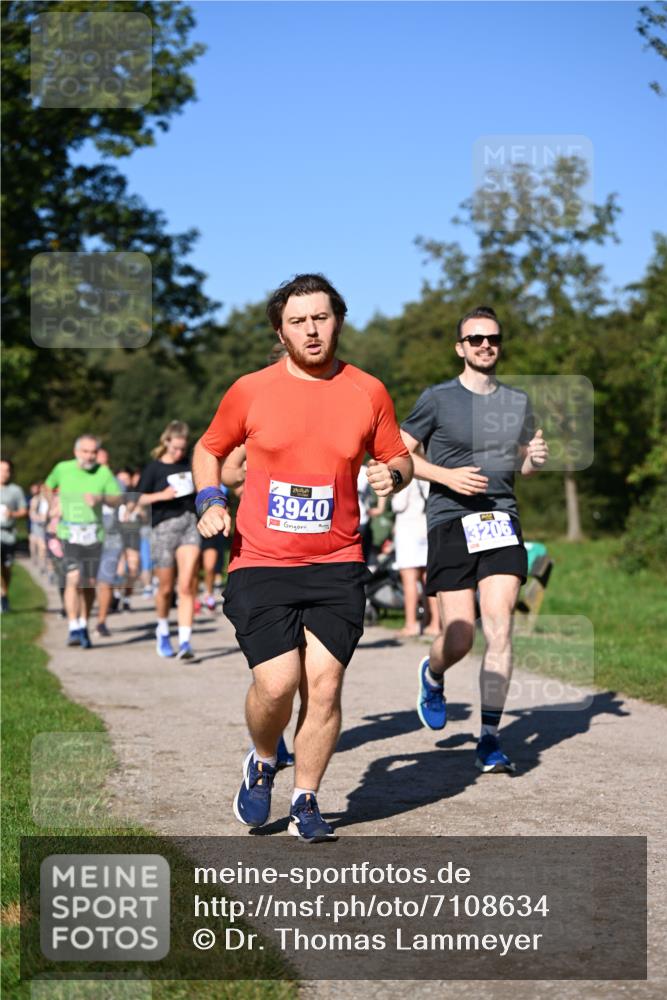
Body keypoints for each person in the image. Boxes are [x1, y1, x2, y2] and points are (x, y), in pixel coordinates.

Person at [194, 273, 412, 841]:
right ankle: (264, 757)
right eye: (298, 321)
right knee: (277, 684)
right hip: (262, 561)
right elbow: (209, 448)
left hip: (337, 561)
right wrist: (210, 498)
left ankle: (307, 798)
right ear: (280, 330)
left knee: (326, 684)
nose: (311, 330)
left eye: (321, 317)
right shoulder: (251, 389)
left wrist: (393, 473)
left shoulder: (368, 391)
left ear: (337, 320)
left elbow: (398, 457)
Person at [400, 305, 549, 773]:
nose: (486, 345)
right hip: (449, 519)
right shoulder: (438, 399)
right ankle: (434, 673)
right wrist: (446, 475)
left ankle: (489, 737)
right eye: (476, 339)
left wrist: (535, 459)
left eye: (494, 338)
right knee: (460, 635)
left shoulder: (517, 402)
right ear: (460, 348)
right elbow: (400, 456)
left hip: (500, 519)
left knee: (501, 625)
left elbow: (520, 464)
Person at [44, 435, 121, 647]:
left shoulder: (103, 472)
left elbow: (116, 499)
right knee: (73, 578)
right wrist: (53, 504)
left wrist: (100, 498)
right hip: (68, 533)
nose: (89, 456)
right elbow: (47, 486)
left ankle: (84, 623)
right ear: (76, 452)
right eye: (85, 451)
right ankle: (73, 627)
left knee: (88, 584)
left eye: (93, 452)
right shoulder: (63, 468)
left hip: (94, 535)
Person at [137, 421, 200, 660]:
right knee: (165, 588)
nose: (179, 453)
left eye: (183, 449)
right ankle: (162, 630)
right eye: (175, 448)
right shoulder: (154, 468)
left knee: (186, 585)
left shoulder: (188, 464)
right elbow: (137, 499)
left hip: (188, 525)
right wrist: (161, 495)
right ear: (166, 443)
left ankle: (185, 641)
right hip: (163, 528)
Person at [390, 476, 440, 637]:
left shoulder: (405, 476)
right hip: (426, 527)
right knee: (428, 579)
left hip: (408, 529)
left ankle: (411, 624)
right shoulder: (427, 474)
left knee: (409, 579)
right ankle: (434, 623)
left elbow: (399, 504)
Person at [0, 459, 28, 612]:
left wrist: (12, 514)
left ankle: (4, 594)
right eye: (1, 469)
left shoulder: (15, 490)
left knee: (6, 568)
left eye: (6, 470)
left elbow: (24, 511)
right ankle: (1, 595)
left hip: (9, 535)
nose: (3, 473)